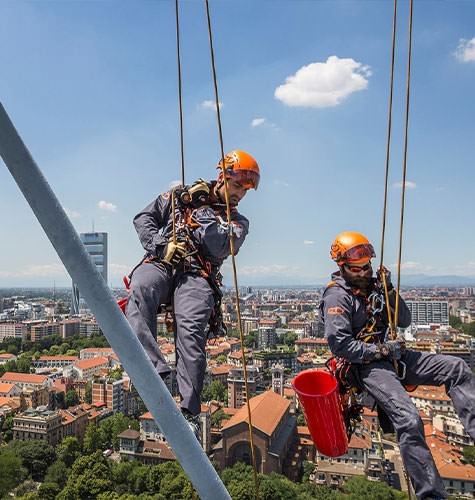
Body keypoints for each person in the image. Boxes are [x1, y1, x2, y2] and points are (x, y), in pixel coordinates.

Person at [320, 231, 475, 500]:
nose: (365, 271)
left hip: (393, 356)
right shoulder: (337, 296)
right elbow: (341, 346)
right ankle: (431, 495)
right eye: (358, 267)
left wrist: (389, 289)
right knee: (409, 419)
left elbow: (403, 320)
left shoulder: (376, 288)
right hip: (365, 365)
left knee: (457, 368)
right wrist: (380, 349)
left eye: (367, 265)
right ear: (342, 266)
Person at [125, 150, 259, 438]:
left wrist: (199, 206)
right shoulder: (179, 196)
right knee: (140, 287)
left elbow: (219, 245)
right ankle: (155, 372)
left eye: (245, 191)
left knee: (190, 328)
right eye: (236, 186)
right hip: (164, 261)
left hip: (197, 274)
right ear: (223, 177)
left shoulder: (238, 222)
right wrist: (160, 245)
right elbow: (143, 218)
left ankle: (189, 409)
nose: (239, 195)